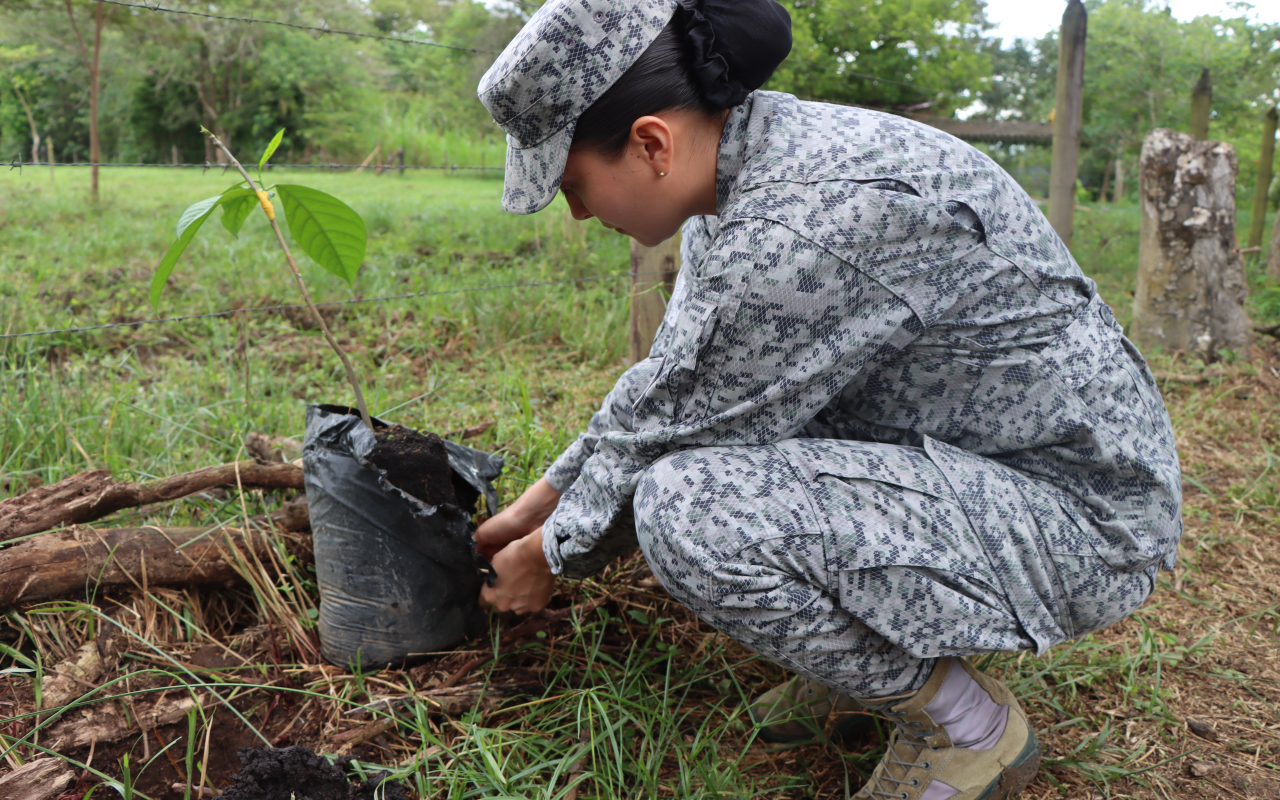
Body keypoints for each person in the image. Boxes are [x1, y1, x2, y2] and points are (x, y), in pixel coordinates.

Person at [470, 1, 1182, 798]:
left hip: (1083, 521)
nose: (577, 212)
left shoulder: (800, 226)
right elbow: (671, 390)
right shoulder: (747, 171)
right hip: (975, 463)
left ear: (650, 143)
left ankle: (967, 726)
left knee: (691, 508)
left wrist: (543, 558)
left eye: (573, 185)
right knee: (713, 448)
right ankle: (865, 660)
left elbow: (677, 433)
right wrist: (541, 503)